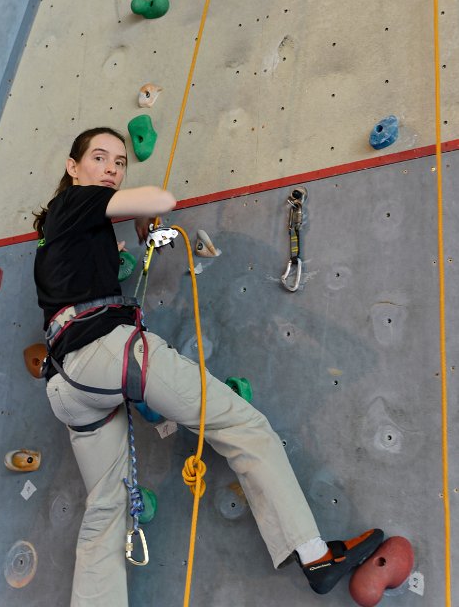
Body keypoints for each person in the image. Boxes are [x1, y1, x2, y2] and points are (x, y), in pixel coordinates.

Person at [33, 126, 383, 607]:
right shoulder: (75, 203)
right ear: (73, 168)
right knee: (242, 422)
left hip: (68, 386)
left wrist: (135, 220)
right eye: (99, 158)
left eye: (119, 162)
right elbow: (162, 196)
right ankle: (315, 554)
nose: (112, 169)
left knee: (106, 510)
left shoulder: (64, 229)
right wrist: (147, 207)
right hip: (107, 353)